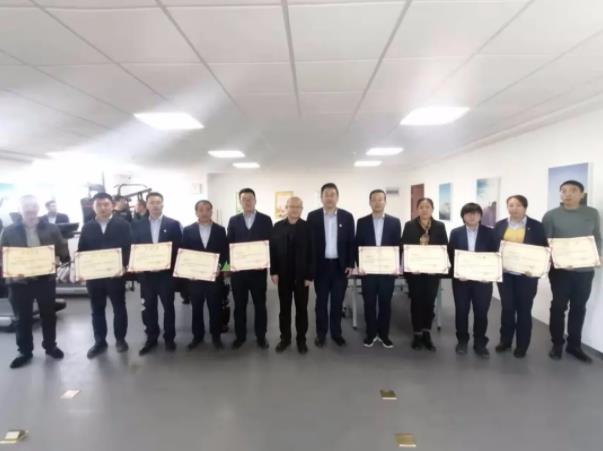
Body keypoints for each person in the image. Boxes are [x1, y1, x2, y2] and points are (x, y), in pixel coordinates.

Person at [0, 195, 69, 369]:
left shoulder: (51, 228)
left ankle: (50, 346)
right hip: (19, 283)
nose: (30, 209)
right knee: (22, 319)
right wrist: (10, 271)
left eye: (33, 206)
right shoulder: (8, 231)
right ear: (20, 209)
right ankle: (24, 351)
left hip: (45, 281)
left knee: (48, 315)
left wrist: (59, 259)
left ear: (38, 208)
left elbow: (63, 250)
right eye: (26, 206)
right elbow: (2, 256)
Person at [543, 180, 602, 363]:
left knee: (579, 307)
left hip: (584, 271)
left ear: (581, 194)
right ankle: (557, 344)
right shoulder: (551, 216)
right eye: (563, 191)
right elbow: (546, 243)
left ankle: (574, 346)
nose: (567, 194)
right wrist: (552, 258)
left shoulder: (592, 213)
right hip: (560, 271)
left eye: (573, 190)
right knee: (558, 307)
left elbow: (597, 238)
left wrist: (599, 255)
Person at [77, 192, 132, 359]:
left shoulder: (123, 225)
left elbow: (129, 248)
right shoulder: (87, 227)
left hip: (116, 275)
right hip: (94, 277)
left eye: (106, 204)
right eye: (99, 205)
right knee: (97, 310)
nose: (102, 208)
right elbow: (82, 251)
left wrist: (124, 266)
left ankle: (120, 340)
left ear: (112, 206)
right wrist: (81, 270)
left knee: (119, 308)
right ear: (93, 207)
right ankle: (100, 342)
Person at [493, 195, 548, 358]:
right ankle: (505, 341)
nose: (514, 208)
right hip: (505, 275)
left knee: (524, 310)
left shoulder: (536, 226)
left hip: (527, 276)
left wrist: (536, 268)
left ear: (525, 207)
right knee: (507, 308)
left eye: (518, 205)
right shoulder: (500, 225)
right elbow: (494, 247)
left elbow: (543, 250)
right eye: (511, 205)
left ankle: (522, 345)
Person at [131, 192, 182, 355]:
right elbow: (134, 247)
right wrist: (136, 266)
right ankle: (151, 338)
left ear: (163, 204)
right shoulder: (137, 225)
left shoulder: (173, 224)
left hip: (165, 275)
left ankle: (169, 338)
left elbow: (178, 249)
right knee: (149, 308)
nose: (155, 205)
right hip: (146, 276)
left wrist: (168, 264)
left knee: (169, 308)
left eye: (158, 202)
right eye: (151, 202)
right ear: (147, 205)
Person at [307, 183, 355, 348]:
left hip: (340, 267)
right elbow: (309, 244)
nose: (329, 198)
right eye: (326, 195)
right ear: (321, 198)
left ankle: (336, 333)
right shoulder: (313, 216)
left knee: (337, 302)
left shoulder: (347, 217)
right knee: (320, 303)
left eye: (332, 194)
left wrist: (350, 263)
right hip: (321, 267)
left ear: (337, 197)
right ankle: (321, 334)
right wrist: (310, 268)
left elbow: (351, 242)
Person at [448, 203, 497, 358]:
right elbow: (450, 255)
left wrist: (489, 275)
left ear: (480, 216)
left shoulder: (490, 233)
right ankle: (462, 340)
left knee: (481, 312)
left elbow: (495, 256)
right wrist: (457, 272)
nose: (472, 216)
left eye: (475, 213)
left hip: (483, 281)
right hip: (461, 281)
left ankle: (480, 343)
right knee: (461, 311)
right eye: (468, 213)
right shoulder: (456, 233)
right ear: (463, 216)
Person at [227, 188, 273, 349]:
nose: (247, 201)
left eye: (250, 198)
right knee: (239, 305)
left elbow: (270, 244)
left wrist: (269, 265)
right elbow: (228, 245)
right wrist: (226, 268)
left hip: (258, 272)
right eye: (244, 199)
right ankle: (240, 336)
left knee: (260, 304)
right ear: (240, 202)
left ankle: (261, 336)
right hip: (238, 273)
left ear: (255, 200)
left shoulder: (265, 220)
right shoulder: (233, 220)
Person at [355, 189, 401, 349]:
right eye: (374, 199)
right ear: (370, 202)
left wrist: (396, 265)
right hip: (368, 272)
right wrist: (360, 265)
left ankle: (384, 334)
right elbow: (358, 246)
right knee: (369, 303)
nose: (377, 202)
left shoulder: (395, 222)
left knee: (385, 304)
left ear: (385, 202)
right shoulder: (362, 222)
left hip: (387, 272)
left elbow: (398, 246)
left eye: (380, 199)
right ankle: (371, 334)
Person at [401, 197, 447, 351]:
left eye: (427, 207)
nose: (424, 209)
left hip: (432, 272)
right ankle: (417, 334)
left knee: (429, 302)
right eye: (421, 207)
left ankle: (427, 332)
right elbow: (404, 246)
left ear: (432, 209)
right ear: (417, 209)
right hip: (415, 272)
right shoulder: (409, 225)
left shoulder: (439, 226)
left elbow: (444, 247)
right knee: (416, 302)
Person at [181, 200, 228, 350]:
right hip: (195, 279)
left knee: (215, 308)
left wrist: (223, 269)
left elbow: (225, 252)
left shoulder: (220, 230)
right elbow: (184, 253)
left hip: (214, 277)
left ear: (211, 211)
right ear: (196, 212)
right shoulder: (188, 230)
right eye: (201, 210)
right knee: (196, 309)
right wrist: (187, 272)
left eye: (208, 209)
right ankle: (197, 336)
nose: (204, 212)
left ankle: (216, 337)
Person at [270, 196, 314, 354]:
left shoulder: (308, 227)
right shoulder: (277, 227)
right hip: (283, 275)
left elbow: (312, 252)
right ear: (286, 208)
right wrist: (273, 271)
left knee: (302, 309)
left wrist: (310, 276)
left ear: (302, 209)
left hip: (302, 276)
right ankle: (285, 339)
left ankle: (301, 340)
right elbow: (273, 251)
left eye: (298, 207)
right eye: (292, 206)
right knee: (284, 309)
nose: (295, 209)